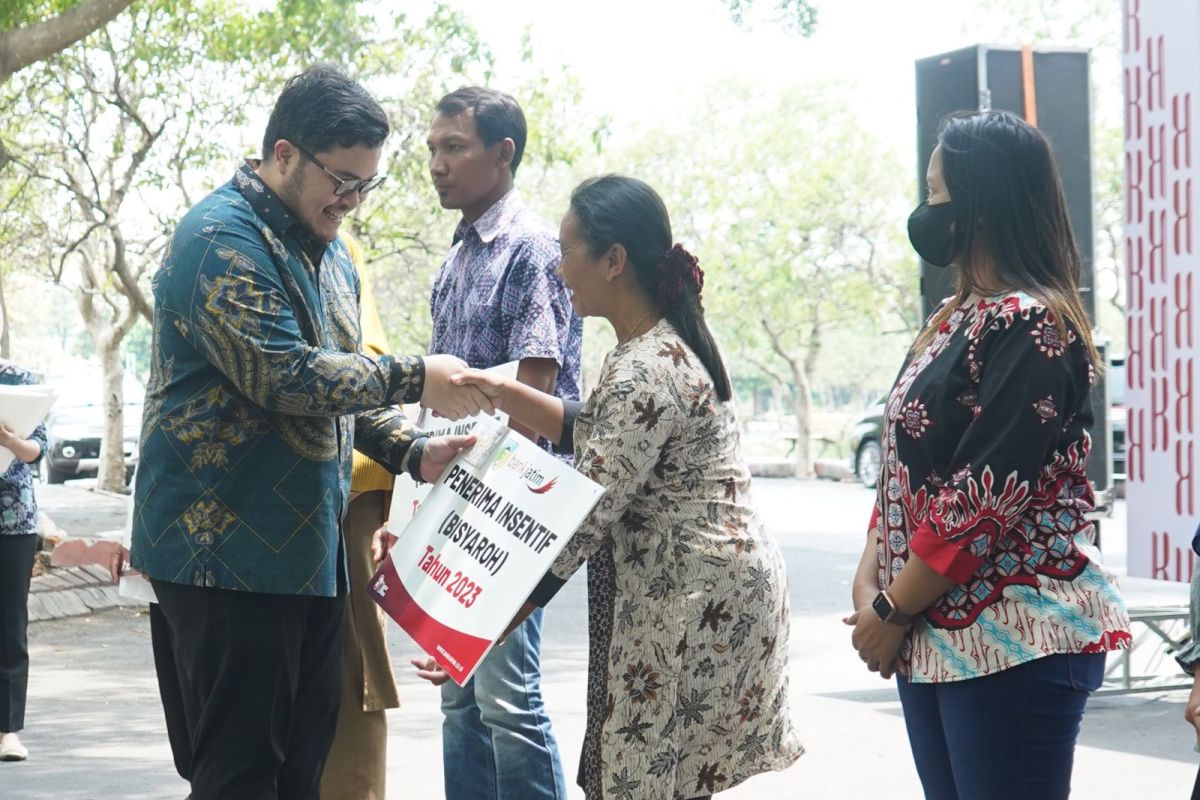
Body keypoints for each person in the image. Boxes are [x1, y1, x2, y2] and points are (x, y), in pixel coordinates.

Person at [130, 64, 489, 800]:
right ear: (285, 154)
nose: (352, 202)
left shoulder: (328, 253)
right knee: (239, 776)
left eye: (367, 185)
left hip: (309, 555)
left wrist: (411, 451)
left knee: (302, 770)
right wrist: (419, 379)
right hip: (222, 556)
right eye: (342, 181)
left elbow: (340, 383)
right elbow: (286, 377)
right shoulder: (218, 239)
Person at [431, 174, 803, 799]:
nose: (557, 265)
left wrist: (480, 623)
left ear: (614, 261)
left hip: (688, 600)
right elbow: (602, 432)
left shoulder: (642, 369)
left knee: (641, 778)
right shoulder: (653, 348)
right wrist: (506, 392)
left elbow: (582, 518)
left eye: (567, 248)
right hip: (701, 588)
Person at [845, 110, 1131, 800]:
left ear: (982, 205)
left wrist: (892, 609)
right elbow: (906, 466)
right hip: (929, 631)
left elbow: (983, 493)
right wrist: (873, 584)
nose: (927, 210)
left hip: (1013, 638)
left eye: (938, 194)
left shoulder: (1035, 322)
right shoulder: (951, 318)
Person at [419, 86, 581, 800]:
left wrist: (480, 510)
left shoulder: (534, 249)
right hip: (454, 501)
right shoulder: (453, 260)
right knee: (459, 695)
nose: (436, 164)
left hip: (510, 504)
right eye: (431, 149)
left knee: (507, 700)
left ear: (503, 153)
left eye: (453, 147)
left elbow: (536, 392)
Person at [319, 233, 400, 800]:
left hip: (351, 495)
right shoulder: (243, 244)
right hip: (285, 503)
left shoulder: (337, 248)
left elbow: (365, 377)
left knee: (354, 681)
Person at [0, 359, 47, 763]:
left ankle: (7, 732)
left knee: (10, 626)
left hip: (12, 521)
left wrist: (11, 443)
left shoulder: (22, 380)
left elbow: (37, 449)